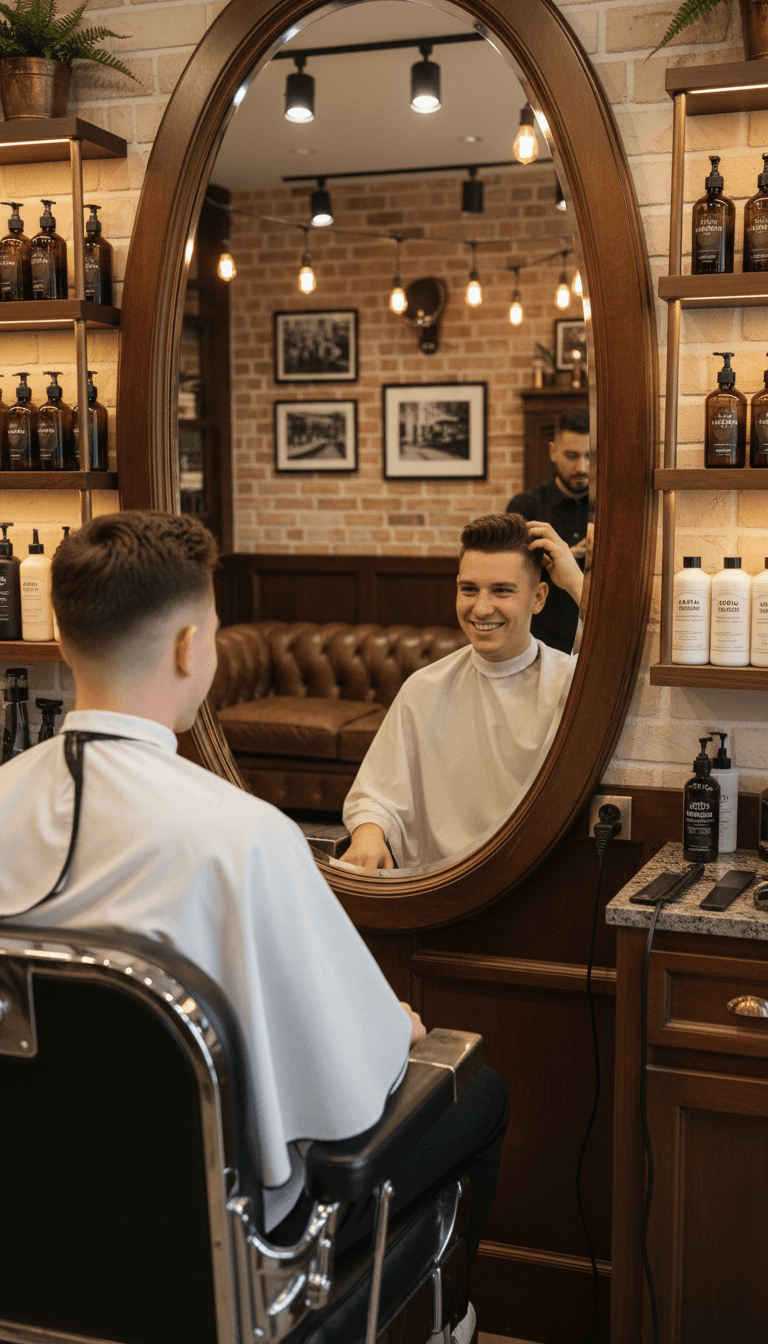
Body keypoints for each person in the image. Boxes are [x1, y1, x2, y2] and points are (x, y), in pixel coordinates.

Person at [0, 511, 507, 1297]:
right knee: (479, 1094)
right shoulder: (241, 837)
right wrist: (389, 1032)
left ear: (63, 640)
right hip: (209, 1244)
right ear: (189, 648)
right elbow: (343, 1085)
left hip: (30, 1220)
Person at [342, 512, 582, 872]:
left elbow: (634, 672)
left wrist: (578, 583)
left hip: (537, 879)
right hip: (441, 886)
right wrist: (368, 834)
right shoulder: (425, 689)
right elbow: (376, 794)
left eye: (502, 590)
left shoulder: (570, 685)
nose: (481, 608)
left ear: (538, 597)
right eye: (469, 589)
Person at [507, 406, 590, 653]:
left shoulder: (612, 509)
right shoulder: (525, 506)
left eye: (590, 456)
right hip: (539, 645)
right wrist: (562, 558)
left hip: (596, 644)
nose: (582, 467)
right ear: (553, 451)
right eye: (572, 456)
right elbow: (510, 576)